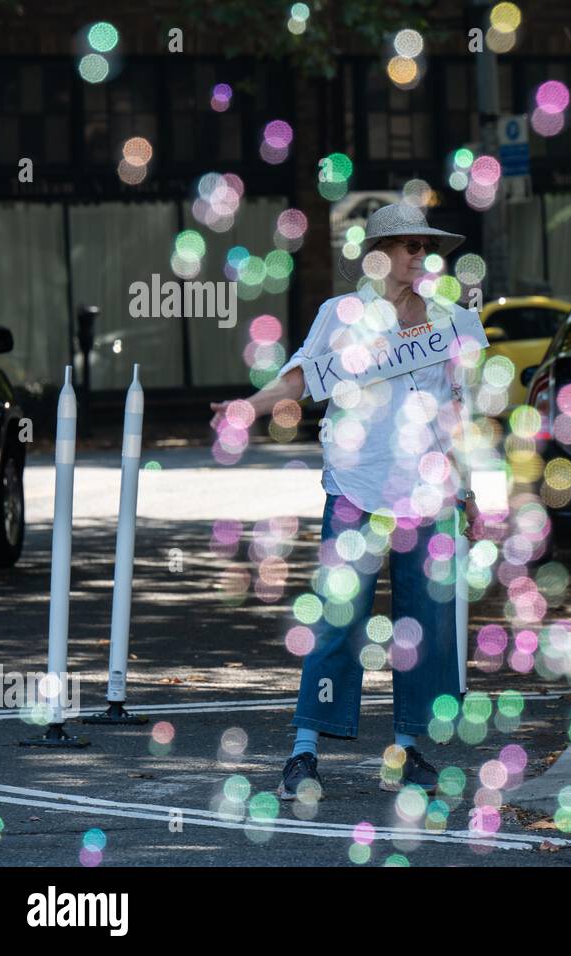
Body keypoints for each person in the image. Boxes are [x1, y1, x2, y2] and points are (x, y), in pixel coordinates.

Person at [209, 202, 484, 801]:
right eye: (410, 246)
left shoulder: (453, 323)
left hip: (429, 495)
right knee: (337, 621)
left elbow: (456, 413)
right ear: (379, 255)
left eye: (425, 246)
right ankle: (303, 752)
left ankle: (410, 750)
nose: (421, 256)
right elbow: (300, 380)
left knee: (426, 629)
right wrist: (245, 408)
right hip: (357, 492)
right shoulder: (341, 314)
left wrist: (468, 491)